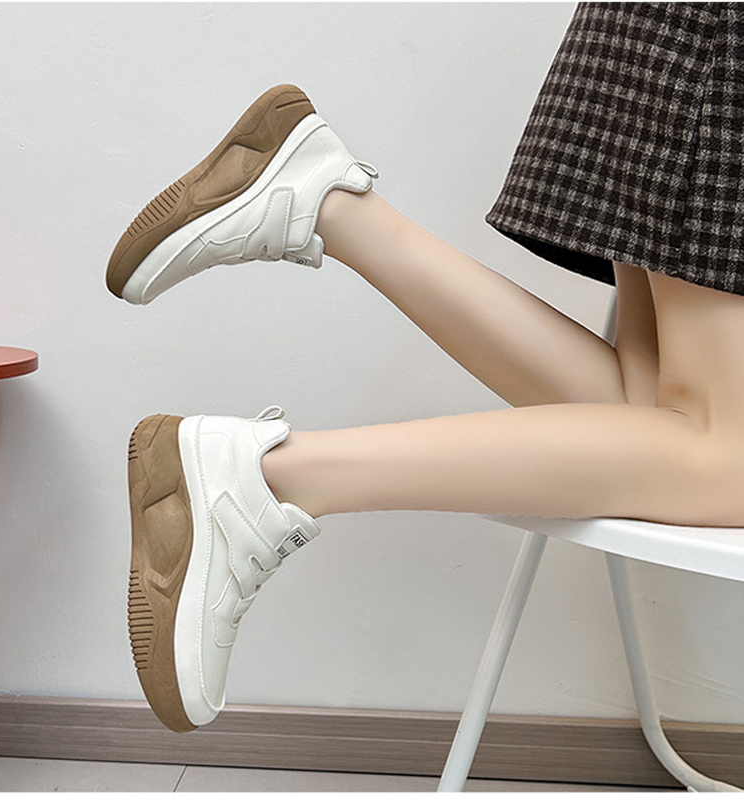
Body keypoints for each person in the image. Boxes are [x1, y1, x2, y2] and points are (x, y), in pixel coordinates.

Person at [108, 4, 744, 733]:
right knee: (724, 457)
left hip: (676, 32)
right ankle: (267, 478)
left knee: (656, 419)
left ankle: (324, 202)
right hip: (717, 49)